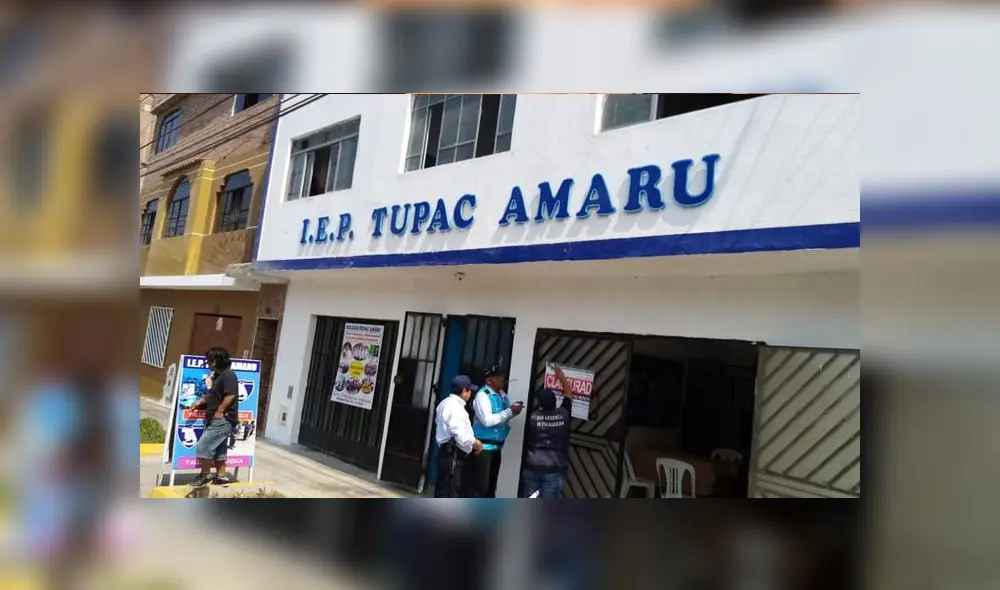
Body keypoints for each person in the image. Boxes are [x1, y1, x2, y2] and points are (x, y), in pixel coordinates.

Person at [186, 347, 241, 487]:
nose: (207, 363)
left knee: (205, 446)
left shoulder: (229, 375)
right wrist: (200, 402)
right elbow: (213, 395)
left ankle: (205, 475)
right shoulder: (218, 375)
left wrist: (220, 410)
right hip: (216, 419)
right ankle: (221, 477)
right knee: (219, 449)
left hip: (223, 419)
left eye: (209, 361)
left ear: (216, 361)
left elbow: (231, 395)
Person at [467, 365, 524, 497]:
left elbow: (503, 417)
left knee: (491, 487)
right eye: (498, 377)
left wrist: (514, 410)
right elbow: (487, 420)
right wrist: (510, 411)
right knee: (480, 487)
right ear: (489, 381)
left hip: (496, 447)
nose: (502, 379)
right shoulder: (483, 396)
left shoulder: (503, 396)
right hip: (483, 447)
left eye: (502, 376)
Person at [522, 365, 575, 498]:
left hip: (532, 467)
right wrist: (561, 377)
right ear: (555, 401)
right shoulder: (563, 414)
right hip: (553, 469)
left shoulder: (533, 418)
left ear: (540, 404)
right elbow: (568, 393)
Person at [433, 375, 483, 497]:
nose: (471, 393)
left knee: (444, 489)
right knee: (450, 491)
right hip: (453, 454)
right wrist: (476, 443)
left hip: (447, 453)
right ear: (464, 391)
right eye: (469, 390)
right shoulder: (455, 408)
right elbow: (460, 435)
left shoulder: (445, 403)